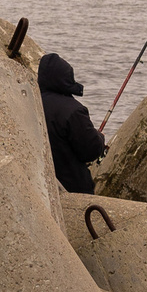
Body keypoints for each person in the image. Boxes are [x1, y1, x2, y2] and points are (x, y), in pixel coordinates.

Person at [38, 54, 105, 194]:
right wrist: (99, 137)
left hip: (39, 185)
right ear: (66, 77)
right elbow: (90, 151)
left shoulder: (30, 101)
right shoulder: (73, 111)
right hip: (72, 189)